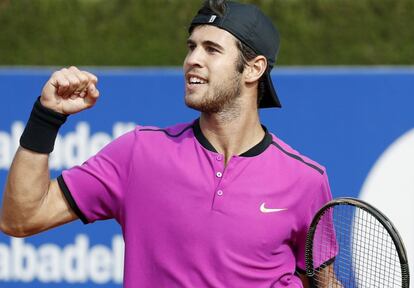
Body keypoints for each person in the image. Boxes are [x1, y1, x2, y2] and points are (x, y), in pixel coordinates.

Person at [0, 0, 333, 287]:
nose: (192, 59)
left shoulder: (306, 181)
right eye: (191, 47)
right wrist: (46, 118)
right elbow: (20, 218)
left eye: (211, 49)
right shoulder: (138, 154)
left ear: (253, 69)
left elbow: (324, 283)